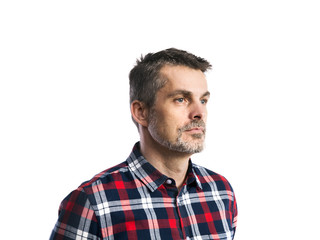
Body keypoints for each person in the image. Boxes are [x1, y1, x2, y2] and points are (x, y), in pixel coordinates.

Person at [50, 48, 238, 240]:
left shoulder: (221, 192)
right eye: (181, 99)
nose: (199, 113)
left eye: (203, 100)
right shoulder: (93, 202)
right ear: (141, 112)